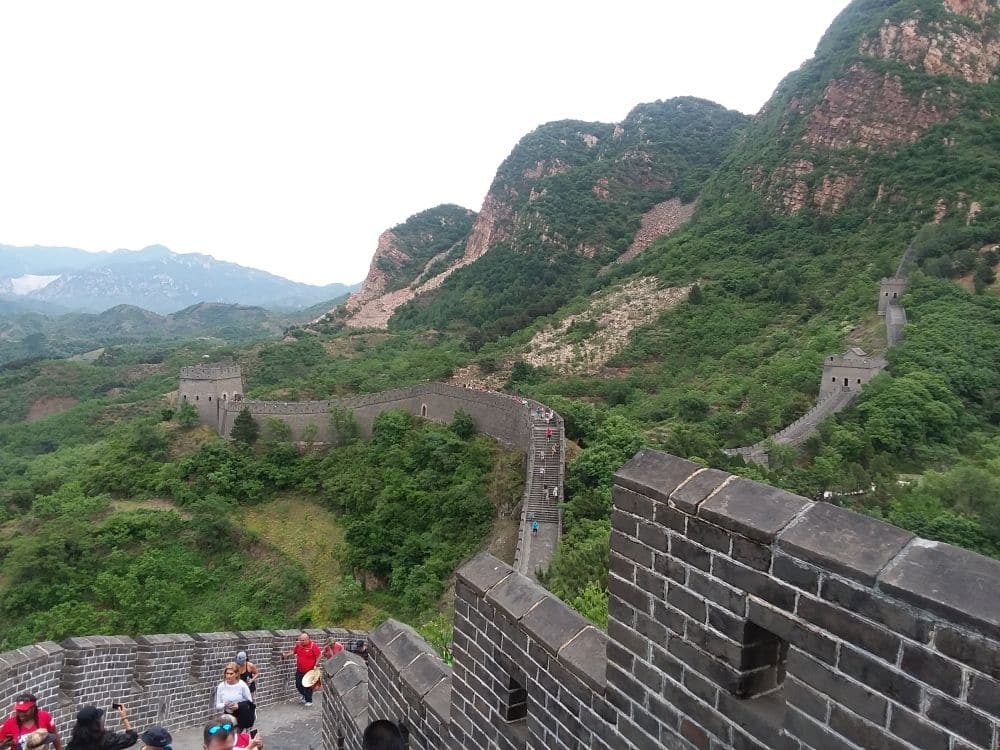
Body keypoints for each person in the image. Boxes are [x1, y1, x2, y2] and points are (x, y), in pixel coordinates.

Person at [65, 705, 137, 750]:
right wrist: (124, 717)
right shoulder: (106, 741)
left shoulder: (74, 744)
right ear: (96, 724)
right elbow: (132, 737)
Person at [281, 632, 321, 706]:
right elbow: (294, 651)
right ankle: (305, 696)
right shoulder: (299, 645)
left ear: (308, 639)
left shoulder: (313, 646)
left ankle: (309, 700)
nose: (301, 642)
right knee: (298, 685)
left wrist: (316, 664)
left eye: (303, 640)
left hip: (309, 670)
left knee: (308, 686)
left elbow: (319, 655)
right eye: (300, 640)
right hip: (300, 670)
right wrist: (286, 655)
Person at [214, 663, 254, 731]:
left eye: (231, 674)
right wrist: (224, 704)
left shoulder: (242, 685)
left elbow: (250, 702)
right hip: (228, 716)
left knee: (237, 737)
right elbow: (217, 705)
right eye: (227, 673)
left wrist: (238, 705)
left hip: (240, 715)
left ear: (236, 674)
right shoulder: (221, 686)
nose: (228, 676)